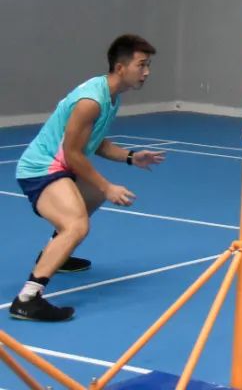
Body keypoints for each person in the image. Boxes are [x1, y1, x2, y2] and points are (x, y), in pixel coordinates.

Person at [10, 35, 165, 322]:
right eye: (141, 65)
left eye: (148, 65)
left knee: (90, 196)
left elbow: (94, 142)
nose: (146, 72)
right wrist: (107, 186)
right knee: (77, 225)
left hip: (59, 166)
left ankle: (56, 254)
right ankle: (27, 299)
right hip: (41, 168)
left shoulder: (110, 96)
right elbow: (72, 153)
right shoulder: (91, 102)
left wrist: (131, 156)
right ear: (120, 67)